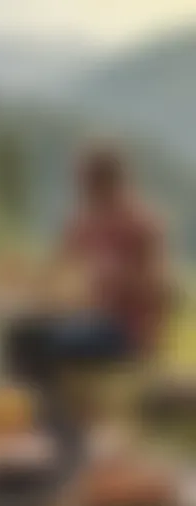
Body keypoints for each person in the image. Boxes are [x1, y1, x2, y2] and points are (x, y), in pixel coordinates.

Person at [60, 144, 170, 357]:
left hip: (129, 329)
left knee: (55, 340)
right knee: (24, 335)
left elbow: (160, 286)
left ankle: (54, 390)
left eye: (88, 181)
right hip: (90, 318)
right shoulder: (83, 224)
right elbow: (64, 270)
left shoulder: (141, 224)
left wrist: (116, 277)